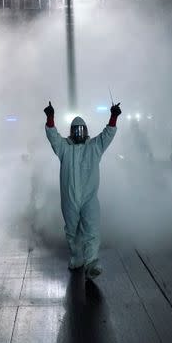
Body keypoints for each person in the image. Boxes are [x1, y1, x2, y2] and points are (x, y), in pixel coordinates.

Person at [44, 101, 120, 281]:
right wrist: (50, 118)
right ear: (71, 131)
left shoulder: (94, 147)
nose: (79, 133)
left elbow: (107, 135)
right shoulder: (64, 148)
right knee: (72, 230)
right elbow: (53, 136)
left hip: (89, 198)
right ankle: (77, 257)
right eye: (75, 130)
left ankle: (92, 262)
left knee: (92, 229)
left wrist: (114, 116)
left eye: (81, 130)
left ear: (86, 131)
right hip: (69, 198)